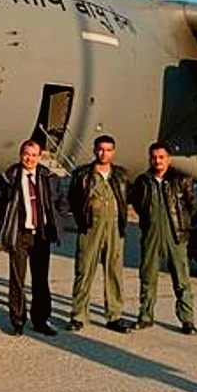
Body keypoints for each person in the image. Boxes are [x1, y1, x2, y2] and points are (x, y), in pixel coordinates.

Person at [129, 141, 197, 335]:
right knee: (148, 277)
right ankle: (145, 316)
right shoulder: (143, 181)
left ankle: (187, 320)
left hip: (174, 234)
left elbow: (193, 205)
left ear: (168, 159)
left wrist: (183, 224)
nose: (157, 161)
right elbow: (137, 203)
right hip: (151, 234)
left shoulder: (182, 179)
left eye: (161, 157)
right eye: (154, 157)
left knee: (181, 278)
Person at [0, 139, 60, 336]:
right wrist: (6, 228)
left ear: (39, 157)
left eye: (33, 155)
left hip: (41, 236)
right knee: (17, 280)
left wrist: (56, 225)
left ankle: (41, 320)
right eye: (26, 154)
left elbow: (59, 201)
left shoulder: (48, 176)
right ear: (21, 155)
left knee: (40, 280)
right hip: (19, 235)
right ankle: (18, 320)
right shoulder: (9, 177)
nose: (29, 158)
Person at [66, 135, 131, 333]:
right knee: (84, 271)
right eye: (101, 149)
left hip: (114, 227)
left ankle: (114, 316)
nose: (104, 153)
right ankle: (78, 315)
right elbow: (73, 199)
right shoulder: (82, 174)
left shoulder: (121, 175)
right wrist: (83, 221)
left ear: (113, 152)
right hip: (90, 228)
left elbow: (126, 197)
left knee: (114, 272)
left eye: (108, 149)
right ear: (95, 150)